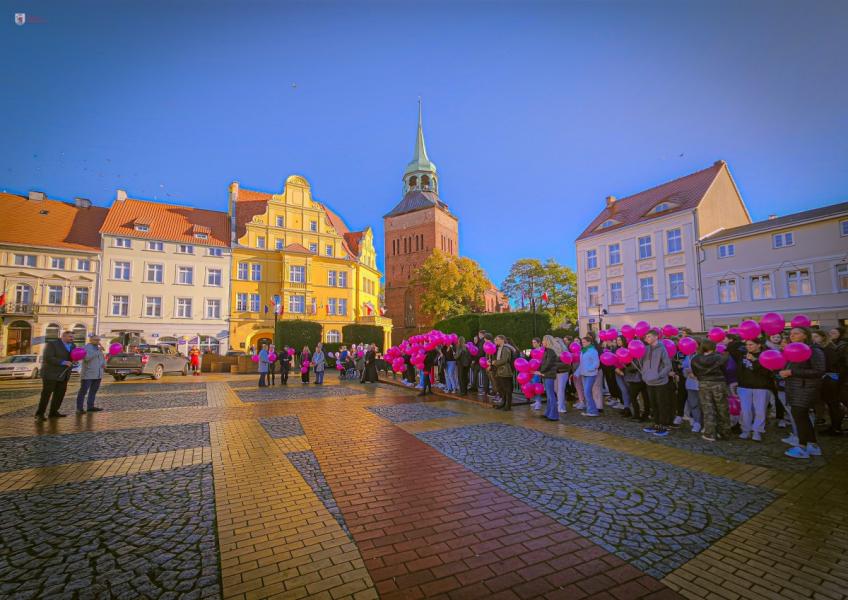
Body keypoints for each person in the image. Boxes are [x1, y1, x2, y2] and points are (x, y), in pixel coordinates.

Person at [782, 327, 825, 459]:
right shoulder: (793, 349)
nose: (792, 336)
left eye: (796, 333)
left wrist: (792, 372)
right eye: (791, 334)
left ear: (805, 335)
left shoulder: (813, 350)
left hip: (805, 389)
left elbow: (819, 371)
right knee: (802, 417)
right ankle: (813, 445)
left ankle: (802, 447)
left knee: (800, 417)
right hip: (795, 388)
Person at [728, 336, 774, 442]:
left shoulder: (765, 355)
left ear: (759, 345)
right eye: (747, 345)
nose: (748, 347)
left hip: (761, 387)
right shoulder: (742, 355)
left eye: (751, 344)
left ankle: (757, 431)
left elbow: (768, 372)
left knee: (760, 410)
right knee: (745, 410)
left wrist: (755, 361)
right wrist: (743, 338)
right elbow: (731, 346)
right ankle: (746, 430)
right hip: (744, 387)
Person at [691, 339, 731, 442]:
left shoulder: (695, 359)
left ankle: (710, 433)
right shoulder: (720, 357)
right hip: (719, 383)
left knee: (708, 409)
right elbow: (725, 370)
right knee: (722, 408)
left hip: (703, 384)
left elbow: (695, 373)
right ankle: (724, 432)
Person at [638, 329, 674, 436]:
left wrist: (659, 375)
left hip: (660, 382)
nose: (646, 338)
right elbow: (643, 363)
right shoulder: (646, 349)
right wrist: (644, 375)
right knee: (653, 404)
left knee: (661, 404)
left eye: (649, 336)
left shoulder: (662, 348)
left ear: (656, 337)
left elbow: (668, 365)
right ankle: (656, 423)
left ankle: (664, 425)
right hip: (649, 382)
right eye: (646, 337)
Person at [35, 330, 76, 420]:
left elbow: (73, 357)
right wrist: (63, 362)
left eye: (73, 337)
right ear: (63, 336)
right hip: (50, 374)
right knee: (46, 394)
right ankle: (40, 414)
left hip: (64, 374)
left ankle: (53, 412)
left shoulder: (73, 346)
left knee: (59, 394)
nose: (72, 339)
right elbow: (48, 357)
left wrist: (75, 361)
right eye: (70, 337)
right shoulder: (52, 344)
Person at [812, 330, 843, 435]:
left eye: (816, 336)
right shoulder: (823, 348)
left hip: (830, 379)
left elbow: (829, 365)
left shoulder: (828, 349)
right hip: (829, 378)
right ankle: (835, 426)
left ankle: (836, 428)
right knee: (832, 404)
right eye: (813, 337)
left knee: (833, 404)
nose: (814, 339)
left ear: (823, 337)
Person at [75, 334, 106, 415]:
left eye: (99, 340)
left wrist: (104, 363)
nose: (98, 341)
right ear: (91, 340)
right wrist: (98, 351)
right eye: (96, 340)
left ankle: (90, 406)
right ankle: (79, 408)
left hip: (98, 374)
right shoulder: (86, 348)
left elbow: (102, 358)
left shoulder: (98, 348)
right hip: (88, 374)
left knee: (93, 391)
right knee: (83, 391)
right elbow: (87, 358)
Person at [574, 336, 600, 417]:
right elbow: (581, 364)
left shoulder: (593, 351)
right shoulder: (583, 351)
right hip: (584, 374)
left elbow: (596, 364)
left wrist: (589, 369)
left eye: (584, 342)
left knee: (587, 392)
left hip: (591, 374)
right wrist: (576, 373)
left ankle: (593, 411)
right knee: (586, 393)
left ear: (589, 342)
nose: (582, 343)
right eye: (582, 342)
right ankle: (590, 410)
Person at [537, 335, 560, 421]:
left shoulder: (551, 351)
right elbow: (544, 363)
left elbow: (548, 363)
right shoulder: (547, 351)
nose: (542, 342)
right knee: (549, 395)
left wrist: (541, 371)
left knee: (551, 395)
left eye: (543, 340)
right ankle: (548, 412)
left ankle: (553, 415)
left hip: (549, 374)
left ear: (547, 341)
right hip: (546, 374)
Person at [490, 335, 515, 410]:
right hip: (500, 371)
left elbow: (504, 360)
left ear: (502, 340)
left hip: (505, 371)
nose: (495, 341)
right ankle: (503, 403)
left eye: (497, 339)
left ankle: (508, 405)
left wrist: (494, 362)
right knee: (502, 389)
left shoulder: (506, 348)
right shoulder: (500, 348)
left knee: (507, 389)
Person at [680, 352, 702, 433]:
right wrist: (687, 372)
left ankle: (704, 424)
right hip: (690, 384)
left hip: (701, 384)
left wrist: (697, 375)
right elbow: (684, 369)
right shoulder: (688, 356)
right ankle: (697, 422)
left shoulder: (702, 356)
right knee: (693, 404)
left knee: (703, 405)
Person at [553, 337, 570, 414]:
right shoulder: (552, 352)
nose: (556, 343)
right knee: (556, 389)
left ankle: (561, 407)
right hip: (555, 373)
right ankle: (560, 402)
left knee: (560, 390)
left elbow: (567, 364)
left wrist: (554, 365)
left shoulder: (565, 351)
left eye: (557, 342)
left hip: (563, 372)